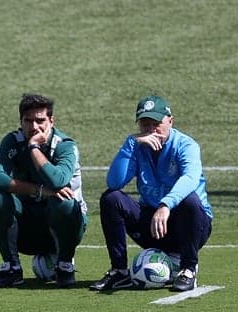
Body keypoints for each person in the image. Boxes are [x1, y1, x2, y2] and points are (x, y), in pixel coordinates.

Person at [89, 95, 212, 292]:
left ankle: (188, 269)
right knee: (111, 198)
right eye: (145, 124)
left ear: (170, 121)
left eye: (156, 123)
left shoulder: (186, 145)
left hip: (189, 225)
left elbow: (191, 179)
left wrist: (165, 205)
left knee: (190, 201)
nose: (151, 129)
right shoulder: (138, 146)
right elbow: (114, 182)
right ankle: (119, 271)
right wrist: (131, 143)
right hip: (154, 225)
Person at [0, 93, 87, 288]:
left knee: (64, 202)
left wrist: (33, 148)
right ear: (21, 122)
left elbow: (58, 182)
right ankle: (11, 267)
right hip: (27, 227)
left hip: (65, 227)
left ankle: (65, 265)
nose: (34, 127)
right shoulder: (12, 141)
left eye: (40, 121)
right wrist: (39, 190)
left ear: (51, 120)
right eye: (28, 121)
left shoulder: (65, 146)